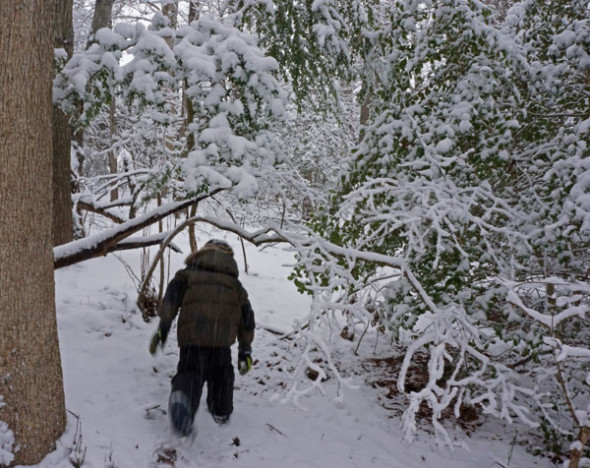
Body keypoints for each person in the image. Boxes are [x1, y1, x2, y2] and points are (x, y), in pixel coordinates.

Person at [149, 239, 255, 436]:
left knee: (190, 372)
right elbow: (246, 317)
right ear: (229, 260)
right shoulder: (234, 285)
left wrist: (163, 328)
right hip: (221, 341)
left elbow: (171, 299)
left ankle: (183, 398)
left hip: (192, 338)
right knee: (222, 373)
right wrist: (245, 349)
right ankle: (221, 409)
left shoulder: (187, 275)